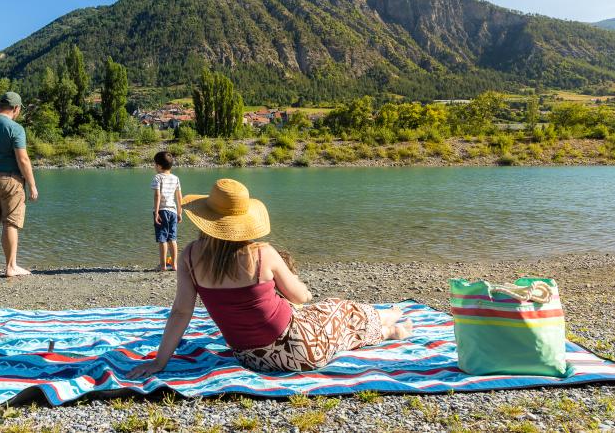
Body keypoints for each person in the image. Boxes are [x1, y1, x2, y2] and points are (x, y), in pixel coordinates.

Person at [129, 178, 412, 376]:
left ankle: (386, 321)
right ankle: (388, 327)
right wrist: (292, 282)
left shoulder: (190, 256)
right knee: (339, 309)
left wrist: (159, 361)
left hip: (253, 359)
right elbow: (301, 297)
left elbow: (180, 312)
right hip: (301, 351)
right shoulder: (262, 253)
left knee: (335, 320)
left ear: (207, 219)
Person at [0, 91, 38, 279]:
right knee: (10, 223)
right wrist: (32, 185)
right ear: (16, 108)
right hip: (9, 180)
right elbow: (23, 159)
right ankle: (11, 267)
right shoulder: (15, 128)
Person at [151, 151, 182, 272]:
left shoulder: (157, 177)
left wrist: (157, 212)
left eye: (154, 164)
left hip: (162, 211)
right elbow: (179, 197)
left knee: (162, 239)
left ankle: (163, 266)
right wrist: (180, 212)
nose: (154, 167)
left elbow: (157, 196)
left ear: (159, 165)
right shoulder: (175, 178)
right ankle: (175, 265)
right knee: (172, 239)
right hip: (173, 211)